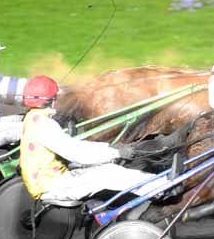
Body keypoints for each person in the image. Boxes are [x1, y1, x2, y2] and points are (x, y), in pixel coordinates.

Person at [19, 75, 168, 202]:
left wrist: (109, 149)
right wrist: (115, 153)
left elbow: (75, 147)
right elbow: (77, 154)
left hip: (53, 179)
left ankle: (160, 184)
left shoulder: (34, 117)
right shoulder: (44, 124)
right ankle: (163, 187)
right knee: (109, 174)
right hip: (53, 185)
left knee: (108, 169)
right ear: (50, 99)